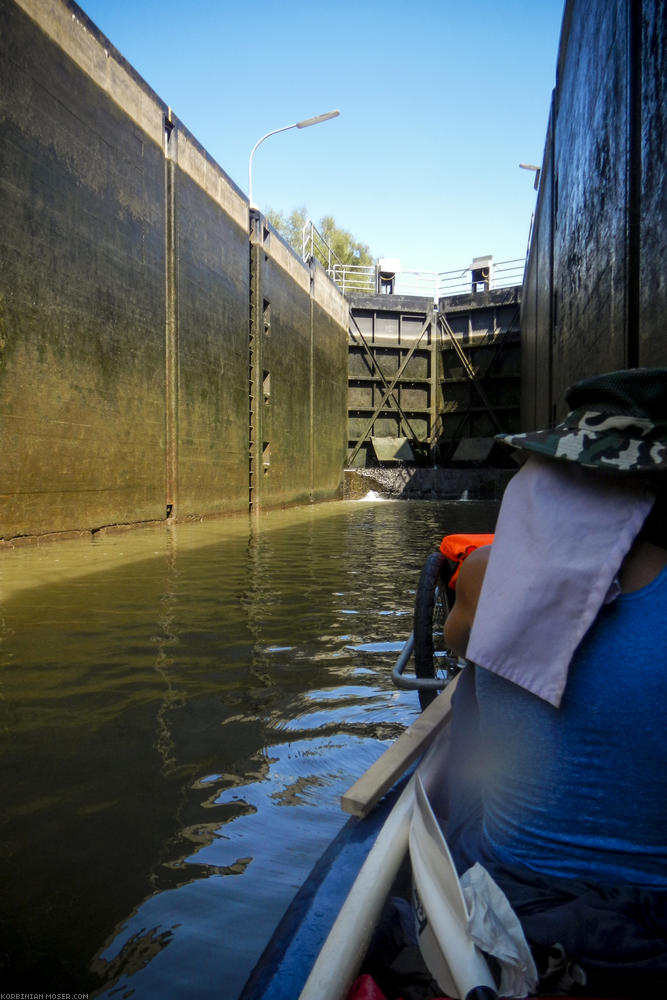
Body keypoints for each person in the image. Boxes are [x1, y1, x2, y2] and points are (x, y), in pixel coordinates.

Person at [442, 368, 667, 996]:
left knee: (471, 685)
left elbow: (459, 644)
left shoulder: (485, 574)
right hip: (652, 938)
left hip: (513, 895)